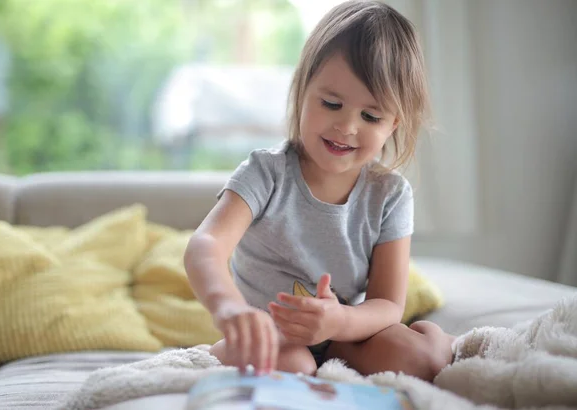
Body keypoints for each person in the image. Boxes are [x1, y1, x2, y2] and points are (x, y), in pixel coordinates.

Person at [184, 0, 455, 382]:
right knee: (296, 365)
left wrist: (339, 321)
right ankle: (226, 352)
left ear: (393, 124)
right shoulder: (267, 173)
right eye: (331, 103)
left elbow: (387, 305)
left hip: (345, 334)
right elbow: (205, 246)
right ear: (302, 89)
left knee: (423, 360)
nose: (346, 126)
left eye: (371, 116)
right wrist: (229, 309)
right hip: (273, 337)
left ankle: (437, 340)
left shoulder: (391, 195)